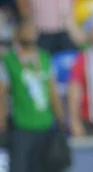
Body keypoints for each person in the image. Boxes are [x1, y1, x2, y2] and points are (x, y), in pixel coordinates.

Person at [0, 19, 65, 172]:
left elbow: (52, 91)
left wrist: (61, 119)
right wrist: (1, 122)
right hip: (21, 126)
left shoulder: (44, 58)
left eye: (33, 30)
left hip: (45, 125)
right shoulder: (8, 60)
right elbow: (1, 94)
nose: (30, 34)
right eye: (26, 30)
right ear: (18, 34)